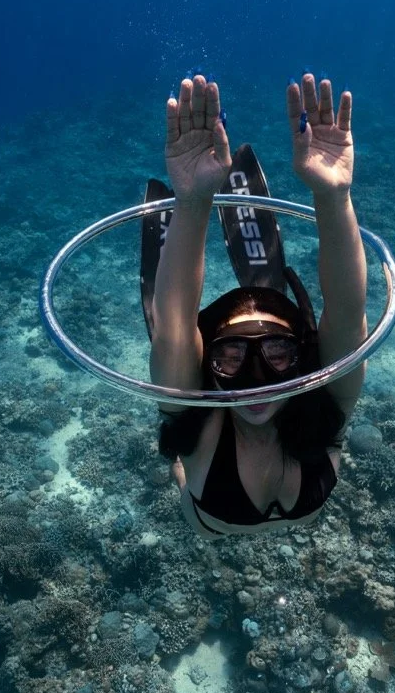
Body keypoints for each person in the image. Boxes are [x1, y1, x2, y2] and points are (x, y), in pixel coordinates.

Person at [145, 73, 367, 539]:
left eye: (278, 353)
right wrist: (192, 200)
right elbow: (174, 328)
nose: (257, 382)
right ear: (210, 365)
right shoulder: (197, 417)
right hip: (207, 526)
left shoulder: (325, 403)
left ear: (303, 358)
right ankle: (181, 464)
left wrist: (333, 194)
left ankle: (263, 329)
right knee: (171, 355)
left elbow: (347, 311)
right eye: (229, 356)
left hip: (222, 508)